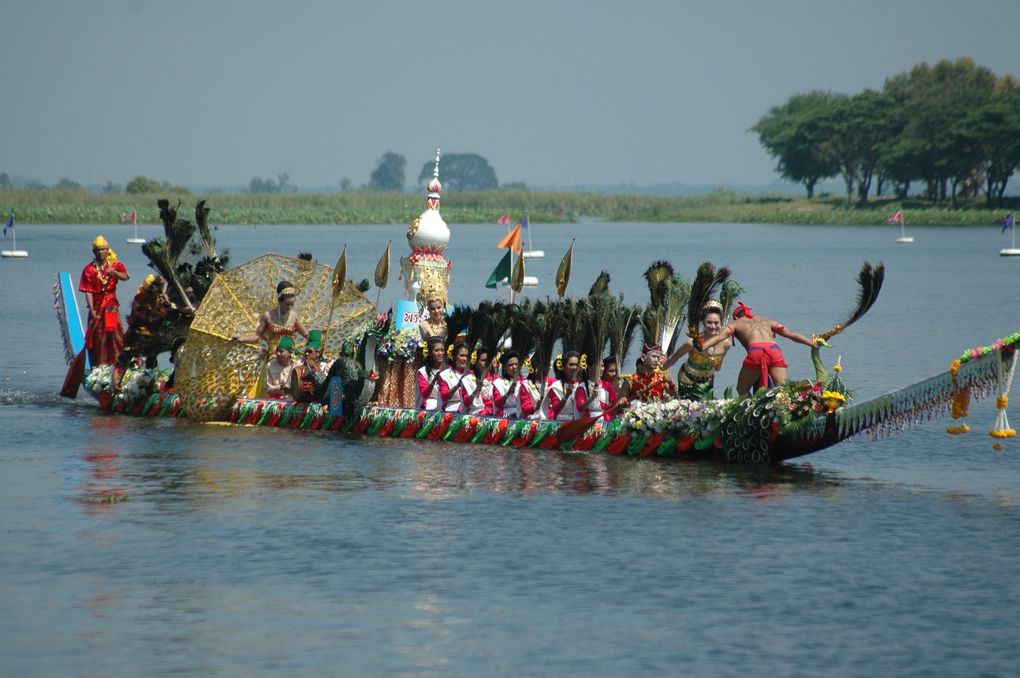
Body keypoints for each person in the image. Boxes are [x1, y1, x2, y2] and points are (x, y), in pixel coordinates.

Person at [701, 301, 819, 395]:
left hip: (756, 351)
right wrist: (810, 342)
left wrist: (703, 346)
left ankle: (753, 412)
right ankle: (803, 391)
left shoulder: (736, 324)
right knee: (784, 389)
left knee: (742, 390)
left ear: (736, 317)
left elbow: (718, 338)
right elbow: (792, 334)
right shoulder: (767, 321)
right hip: (774, 350)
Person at [114, 274, 184, 389]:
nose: (160, 290)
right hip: (137, 335)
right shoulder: (141, 299)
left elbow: (164, 316)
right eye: (159, 288)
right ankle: (116, 386)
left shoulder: (160, 300)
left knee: (154, 356)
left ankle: (152, 380)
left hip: (153, 336)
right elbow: (141, 318)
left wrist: (167, 305)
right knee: (124, 359)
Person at [663, 300, 732, 401]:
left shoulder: (726, 344)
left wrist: (717, 363)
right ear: (703, 322)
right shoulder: (692, 342)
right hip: (688, 380)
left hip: (708, 382)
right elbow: (675, 357)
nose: (713, 326)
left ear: (721, 322)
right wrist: (660, 371)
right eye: (709, 322)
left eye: (716, 323)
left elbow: (717, 367)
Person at [79, 235, 130, 366]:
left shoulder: (115, 265)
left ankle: (118, 363)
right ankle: (99, 365)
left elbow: (125, 276)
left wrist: (115, 273)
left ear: (107, 250)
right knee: (98, 337)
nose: (100, 252)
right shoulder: (89, 269)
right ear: (93, 252)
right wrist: (92, 309)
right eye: (97, 250)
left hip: (111, 306)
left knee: (114, 336)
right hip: (96, 307)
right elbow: (88, 291)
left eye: (102, 249)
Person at [233, 280, 309, 348]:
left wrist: (319, 336)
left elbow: (306, 334)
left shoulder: (294, 315)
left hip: (290, 354)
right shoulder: (268, 316)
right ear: (279, 301)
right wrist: (243, 338)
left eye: (292, 304)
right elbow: (257, 336)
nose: (289, 307)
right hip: (274, 355)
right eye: (287, 304)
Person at [490, 350, 533, 419]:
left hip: (524, 416)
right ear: (504, 367)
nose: (514, 367)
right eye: (510, 365)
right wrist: (508, 393)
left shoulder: (527, 381)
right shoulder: (498, 383)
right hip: (506, 416)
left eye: (516, 364)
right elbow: (497, 404)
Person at [547, 351, 588, 422]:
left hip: (580, 424)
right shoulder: (556, 386)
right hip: (561, 424)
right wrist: (566, 396)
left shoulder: (583, 385)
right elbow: (555, 409)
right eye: (571, 365)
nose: (574, 367)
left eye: (576, 365)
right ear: (564, 367)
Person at [291, 330, 329, 403]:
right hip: (301, 403)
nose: (307, 354)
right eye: (306, 352)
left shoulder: (327, 364)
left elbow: (327, 385)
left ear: (318, 353)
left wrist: (313, 368)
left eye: (310, 352)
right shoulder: (299, 362)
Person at [438, 342, 472, 413]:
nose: (465, 358)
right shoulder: (445, 375)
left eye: (467, 356)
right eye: (462, 355)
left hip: (471, 411)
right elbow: (444, 397)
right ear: (454, 357)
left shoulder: (472, 375)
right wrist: (457, 385)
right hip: (451, 412)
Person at [582, 356, 619, 421]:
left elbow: (614, 405)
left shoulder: (608, 386)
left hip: (605, 422)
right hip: (587, 422)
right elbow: (580, 407)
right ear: (589, 367)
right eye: (598, 366)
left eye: (602, 366)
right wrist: (591, 398)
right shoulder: (582, 386)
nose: (601, 369)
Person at [416, 336, 447, 411]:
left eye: (442, 350)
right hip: (428, 407)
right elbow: (424, 394)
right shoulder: (423, 371)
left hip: (447, 406)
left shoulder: (449, 370)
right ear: (430, 353)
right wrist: (434, 381)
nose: (440, 353)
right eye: (436, 350)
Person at [462, 346, 495, 416]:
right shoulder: (468, 379)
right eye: (483, 360)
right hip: (475, 415)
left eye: (488, 360)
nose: (486, 363)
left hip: (495, 415)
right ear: (477, 362)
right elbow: (466, 403)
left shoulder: (496, 379)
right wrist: (476, 391)